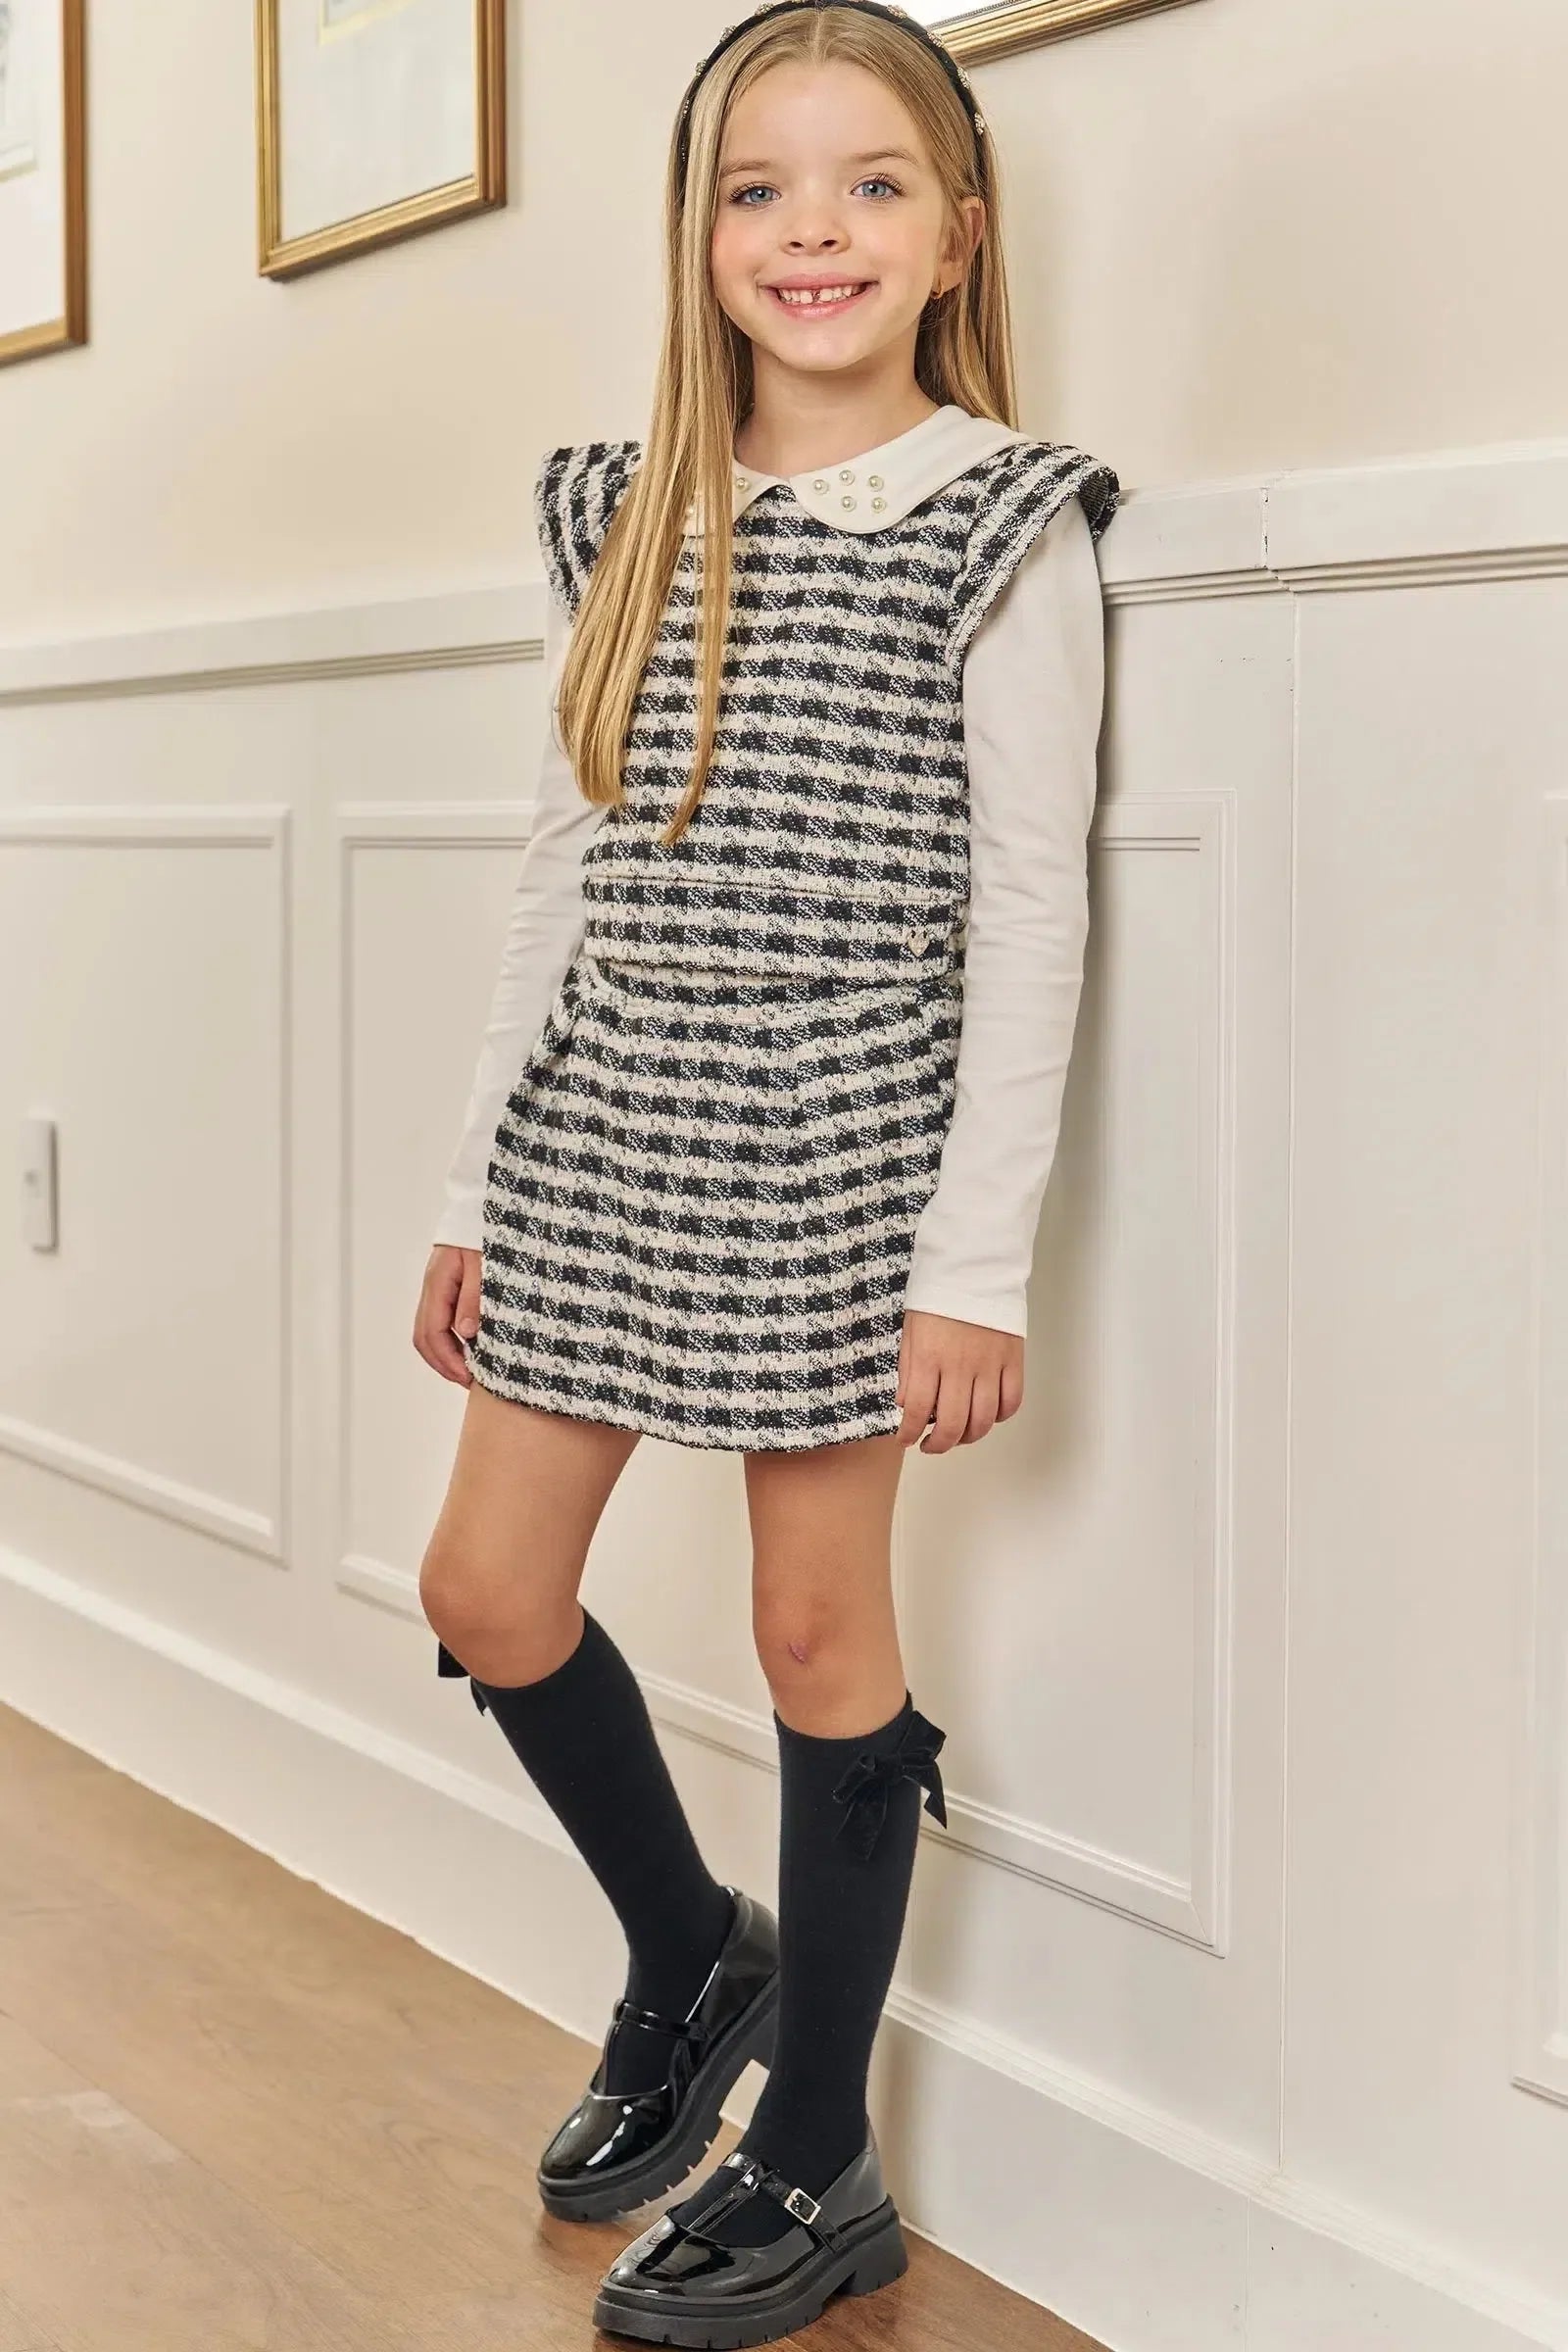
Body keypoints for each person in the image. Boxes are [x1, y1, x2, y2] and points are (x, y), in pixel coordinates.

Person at [413, 2, 1118, 2339]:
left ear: (955, 237)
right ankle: (686, 1953)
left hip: (839, 1144)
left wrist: (973, 1266)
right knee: (486, 1588)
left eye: (869, 184)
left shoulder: (1002, 518)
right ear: (696, 236)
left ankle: (817, 2155)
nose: (811, 231)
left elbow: (1028, 911)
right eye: (757, 188)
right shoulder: (617, 507)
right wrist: (473, 1187)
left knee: (816, 1630)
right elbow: (560, 862)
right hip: (603, 1124)